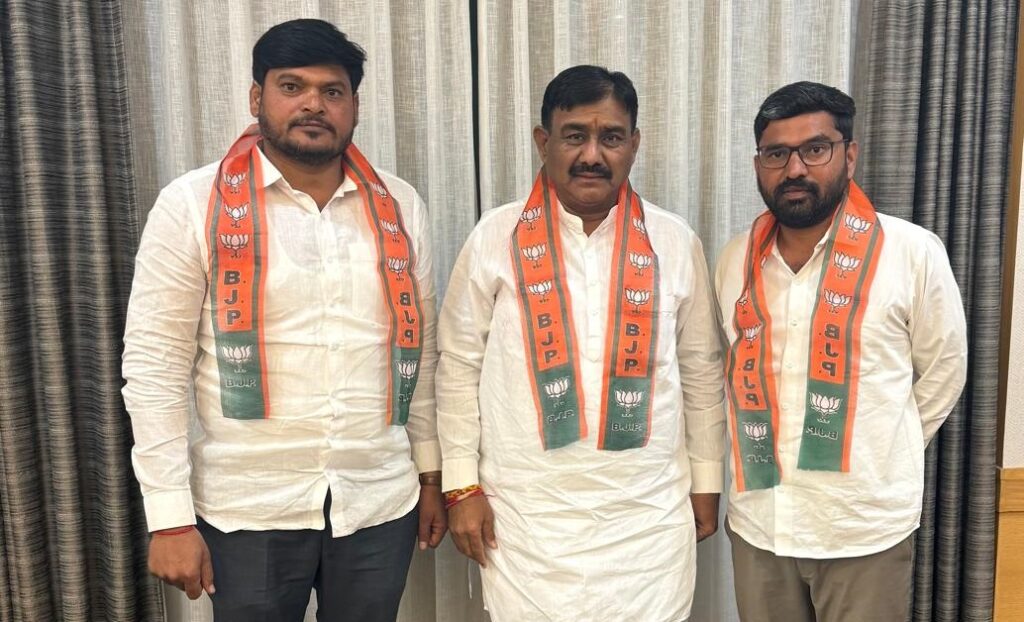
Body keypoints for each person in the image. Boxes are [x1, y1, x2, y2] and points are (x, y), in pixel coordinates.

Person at [122, 18, 445, 621]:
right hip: (249, 508)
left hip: (377, 500)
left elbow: (420, 353)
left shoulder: (400, 206)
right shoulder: (193, 204)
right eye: (292, 87)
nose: (313, 105)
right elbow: (155, 366)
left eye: (332, 91)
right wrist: (168, 518)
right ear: (257, 97)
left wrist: (431, 476)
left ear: (354, 106)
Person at [435, 65, 726, 622]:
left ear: (634, 145)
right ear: (543, 142)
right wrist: (461, 485)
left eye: (611, 137)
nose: (592, 155)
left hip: (647, 513)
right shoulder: (495, 236)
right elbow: (458, 365)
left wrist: (707, 480)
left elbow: (701, 370)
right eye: (575, 136)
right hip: (526, 512)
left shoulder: (673, 240)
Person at [716, 81, 968, 621]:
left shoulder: (911, 252)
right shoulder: (735, 259)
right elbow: (727, 371)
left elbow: (945, 370)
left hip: (861, 528)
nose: (795, 169)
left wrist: (887, 441)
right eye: (776, 154)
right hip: (761, 523)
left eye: (815, 149)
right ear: (759, 164)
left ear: (849, 155)